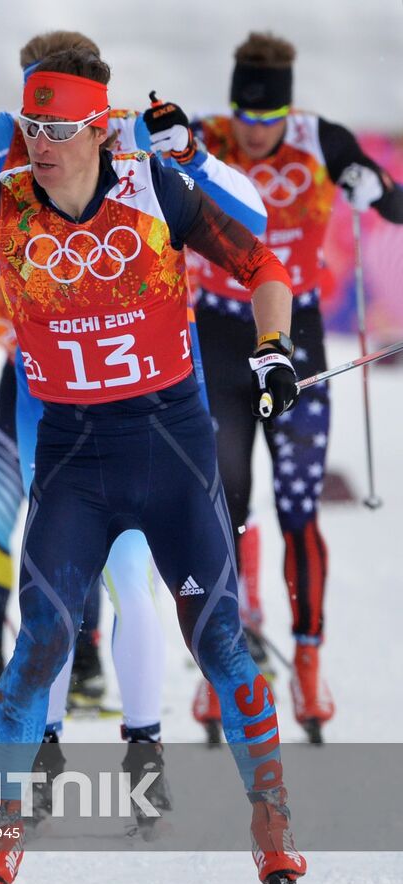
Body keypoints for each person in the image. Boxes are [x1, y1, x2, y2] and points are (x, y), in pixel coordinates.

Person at [0, 47, 306, 884]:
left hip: (171, 449)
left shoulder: (154, 188)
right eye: (31, 126)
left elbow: (263, 264)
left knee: (223, 646)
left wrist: (273, 348)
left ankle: (272, 823)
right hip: (74, 457)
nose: (40, 144)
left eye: (58, 128)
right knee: (36, 645)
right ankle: (1, 840)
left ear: (97, 126)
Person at [0, 30, 268, 779]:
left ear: (95, 101)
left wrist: (195, 157)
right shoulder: (0, 135)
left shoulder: (126, 137)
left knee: (128, 572)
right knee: (52, 580)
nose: (39, 128)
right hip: (45, 386)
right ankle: (45, 740)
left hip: (144, 390)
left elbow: (251, 228)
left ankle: (143, 739)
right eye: (31, 106)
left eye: (57, 110)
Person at [186, 31, 403, 743]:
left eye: (264, 121)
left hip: (297, 334)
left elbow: (393, 207)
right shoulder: (203, 136)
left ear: (284, 109)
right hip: (218, 332)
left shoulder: (318, 137)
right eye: (242, 119)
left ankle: (308, 660)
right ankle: (227, 658)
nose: (251, 134)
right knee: (225, 505)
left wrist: (376, 187)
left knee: (298, 504)